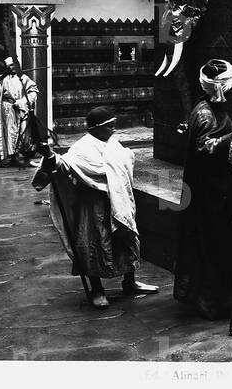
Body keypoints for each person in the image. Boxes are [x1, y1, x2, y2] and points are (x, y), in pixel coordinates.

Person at [32, 106, 158, 308]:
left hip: (119, 201)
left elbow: (125, 163)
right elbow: (64, 166)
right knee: (93, 245)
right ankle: (97, 289)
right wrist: (49, 156)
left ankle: (130, 281)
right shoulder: (81, 149)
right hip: (93, 206)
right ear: (96, 128)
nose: (114, 130)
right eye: (110, 126)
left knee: (126, 238)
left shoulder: (112, 144)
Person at [174, 60, 232, 321]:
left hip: (224, 188)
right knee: (214, 243)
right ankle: (210, 298)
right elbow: (205, 148)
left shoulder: (213, 107)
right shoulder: (205, 113)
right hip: (210, 194)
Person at [0, 56, 38, 167]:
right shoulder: (2, 79)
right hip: (3, 112)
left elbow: (33, 92)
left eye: (14, 65)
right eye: (10, 66)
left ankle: (18, 158)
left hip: (17, 110)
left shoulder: (24, 79)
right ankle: (7, 158)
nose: (12, 68)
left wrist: (21, 102)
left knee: (20, 134)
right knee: (5, 134)